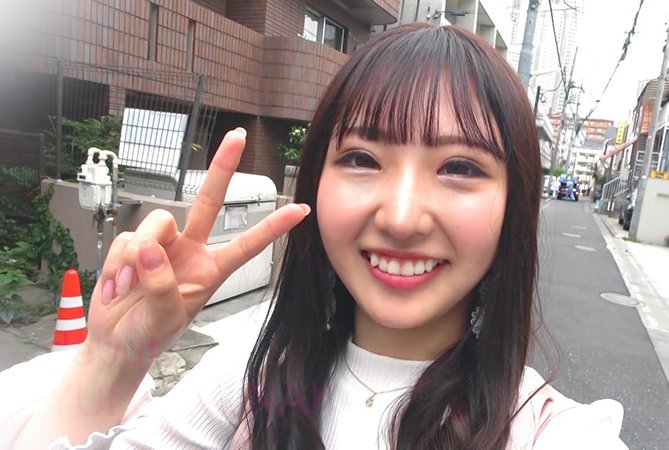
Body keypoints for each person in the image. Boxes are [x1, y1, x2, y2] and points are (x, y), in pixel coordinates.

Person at [1, 23, 626, 449]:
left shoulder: (550, 431)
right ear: (314, 185)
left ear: (515, 205)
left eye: (460, 168)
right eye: (361, 158)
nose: (401, 217)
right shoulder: (252, 379)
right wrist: (114, 359)